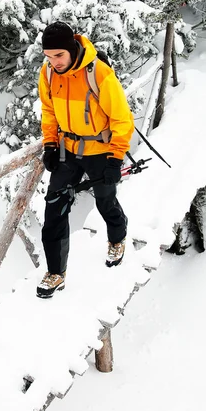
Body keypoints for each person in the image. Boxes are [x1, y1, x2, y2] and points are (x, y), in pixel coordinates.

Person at [36, 21, 134, 298]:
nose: (54, 62)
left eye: (59, 55)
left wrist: (115, 158)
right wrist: (50, 144)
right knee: (54, 210)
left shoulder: (99, 74)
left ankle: (117, 237)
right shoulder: (48, 74)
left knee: (105, 199)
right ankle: (56, 272)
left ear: (71, 50)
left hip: (100, 151)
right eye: (48, 56)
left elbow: (121, 119)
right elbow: (49, 110)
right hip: (67, 151)